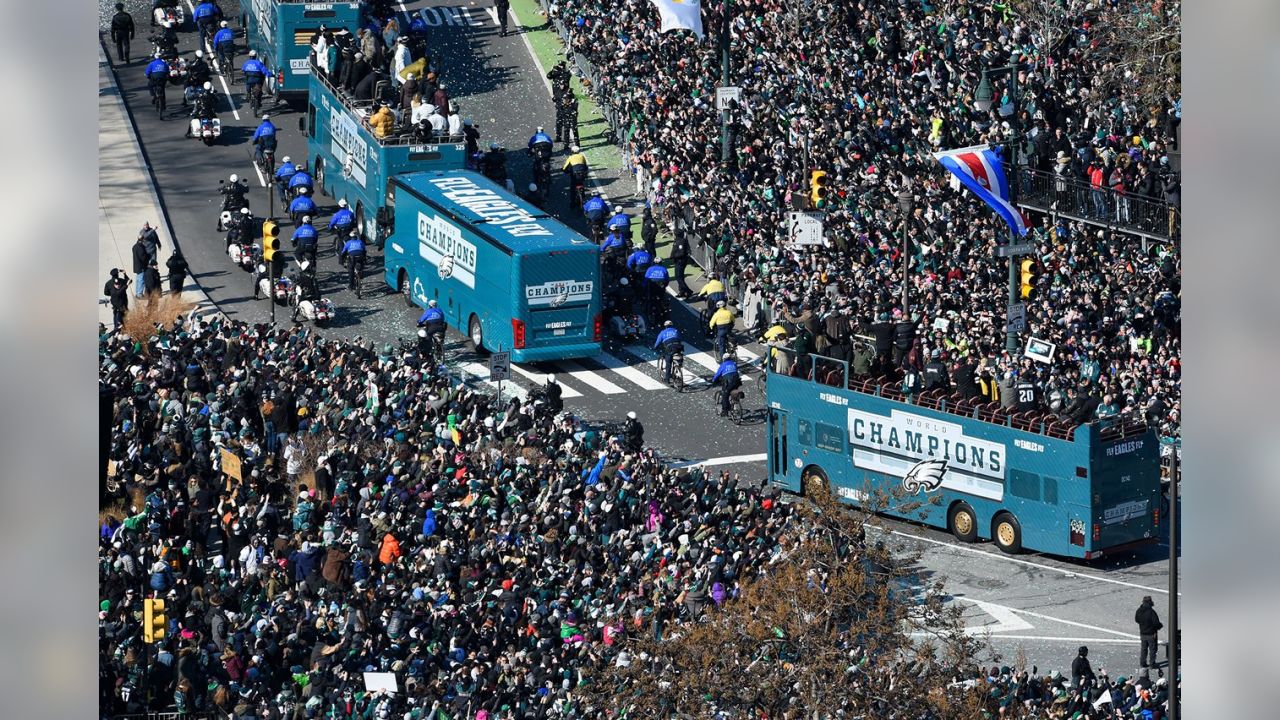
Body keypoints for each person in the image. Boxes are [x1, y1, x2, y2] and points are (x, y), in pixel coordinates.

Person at [1135, 595, 1163, 669]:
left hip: (1143, 632)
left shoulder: (1139, 610)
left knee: (1144, 649)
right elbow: (1156, 623)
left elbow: (1137, 620)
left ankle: (1142, 663)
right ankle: (1152, 664)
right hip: (1151, 634)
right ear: (1150, 602)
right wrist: (1160, 626)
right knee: (1152, 649)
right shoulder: (1151, 612)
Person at [670, 227, 691, 296]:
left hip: (680, 261)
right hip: (678, 261)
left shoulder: (681, 241)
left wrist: (673, 256)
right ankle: (681, 291)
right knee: (680, 277)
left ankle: (687, 290)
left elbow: (681, 253)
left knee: (678, 277)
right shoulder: (678, 240)